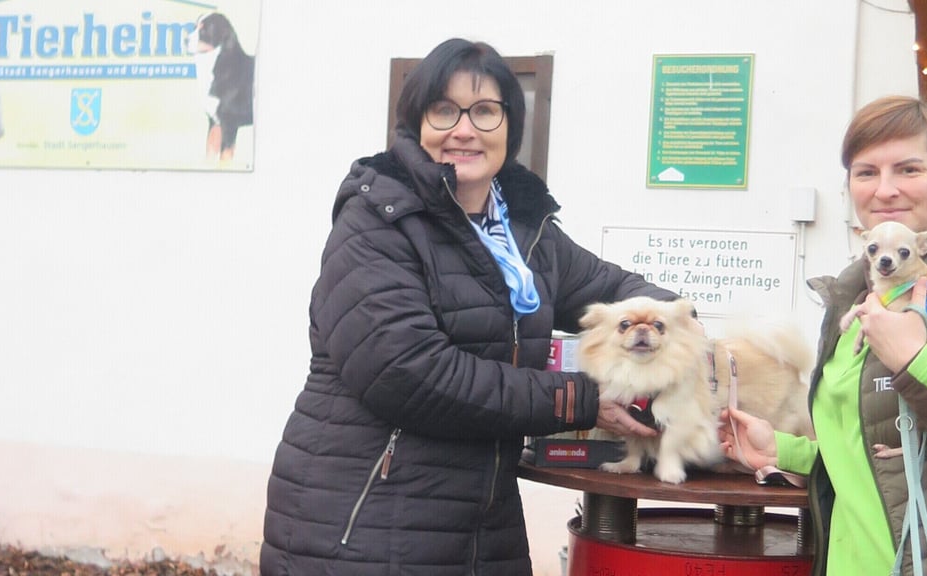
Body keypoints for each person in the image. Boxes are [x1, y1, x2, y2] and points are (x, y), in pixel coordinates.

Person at [260, 38, 671, 576]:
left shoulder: (526, 234)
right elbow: (410, 373)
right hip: (363, 524)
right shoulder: (376, 223)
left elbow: (615, 290)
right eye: (444, 110)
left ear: (509, 126)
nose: (464, 129)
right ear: (417, 124)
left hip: (481, 526)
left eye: (484, 111)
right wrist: (578, 399)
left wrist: (681, 329)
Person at [718, 95, 927, 575]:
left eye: (909, 169)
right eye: (866, 172)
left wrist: (917, 363)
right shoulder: (851, 297)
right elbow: (870, 451)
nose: (885, 190)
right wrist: (786, 451)